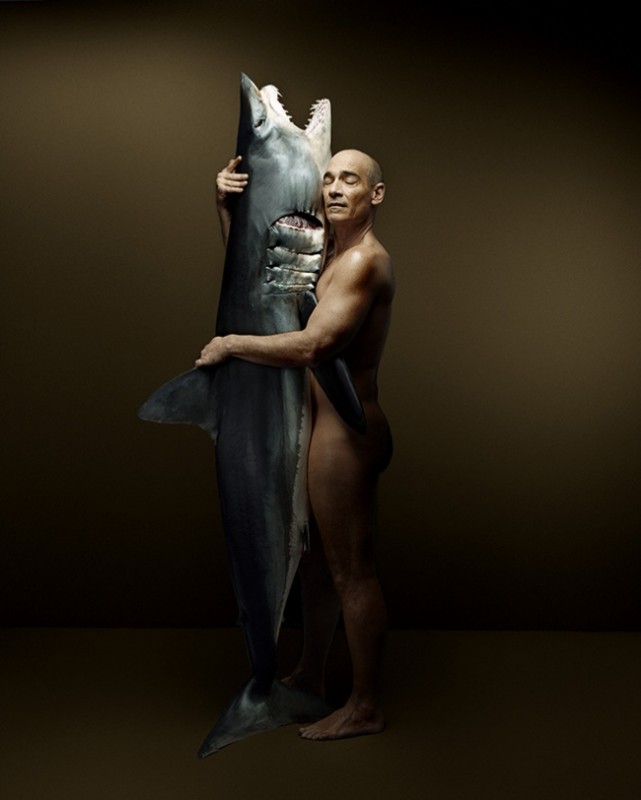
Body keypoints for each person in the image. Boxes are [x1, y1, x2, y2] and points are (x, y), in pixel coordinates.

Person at [196, 148, 394, 740]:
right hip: (318, 421)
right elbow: (265, 292)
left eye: (349, 180)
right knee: (313, 564)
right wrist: (226, 208)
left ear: (375, 195)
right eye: (327, 178)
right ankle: (311, 672)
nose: (333, 189)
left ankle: (365, 706)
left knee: (350, 571)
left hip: (345, 431)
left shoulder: (363, 262)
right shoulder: (329, 250)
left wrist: (230, 344)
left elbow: (313, 346)